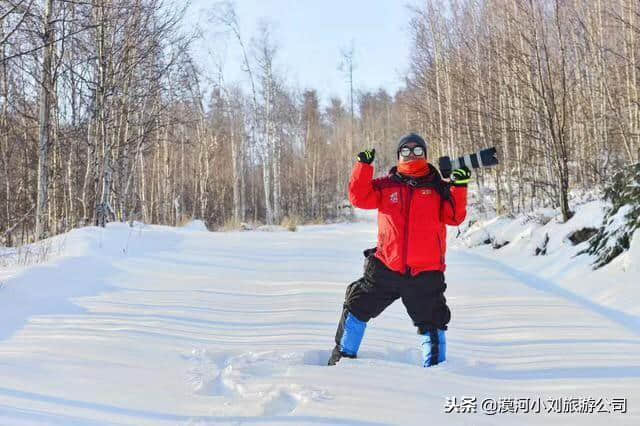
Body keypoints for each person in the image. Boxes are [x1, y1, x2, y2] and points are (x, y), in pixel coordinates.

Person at [328, 133, 471, 367]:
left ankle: (436, 371)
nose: (412, 155)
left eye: (417, 151)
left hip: (425, 273)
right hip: (386, 268)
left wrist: (459, 186)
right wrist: (363, 167)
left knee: (433, 321)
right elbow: (359, 197)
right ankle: (342, 360)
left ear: (425, 155)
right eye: (406, 151)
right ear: (399, 156)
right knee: (356, 304)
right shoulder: (386, 186)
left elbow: (454, 217)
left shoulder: (438, 188)